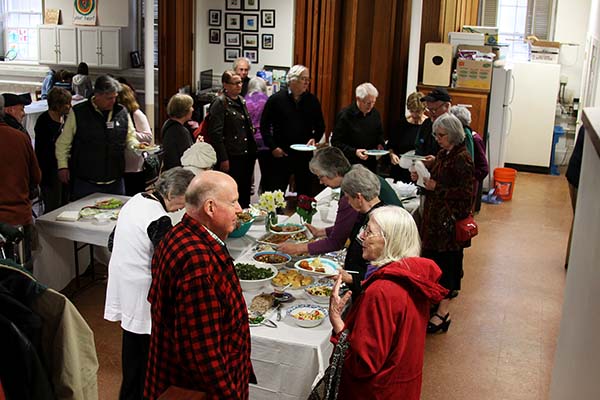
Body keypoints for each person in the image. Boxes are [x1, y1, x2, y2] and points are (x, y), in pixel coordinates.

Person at [144, 171, 256, 399]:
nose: (240, 210)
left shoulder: (177, 235)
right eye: (233, 201)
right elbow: (203, 354)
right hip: (197, 388)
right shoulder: (198, 262)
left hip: (174, 374)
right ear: (210, 208)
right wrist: (230, 394)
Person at [326, 206, 447, 399]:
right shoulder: (414, 276)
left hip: (376, 392)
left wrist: (338, 323)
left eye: (370, 232)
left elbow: (363, 364)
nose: (361, 236)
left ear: (389, 241)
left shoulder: (382, 291)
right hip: (400, 386)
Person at [104, 167, 195, 400]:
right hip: (141, 291)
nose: (184, 207)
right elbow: (166, 264)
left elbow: (111, 242)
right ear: (173, 193)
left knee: (131, 350)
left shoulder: (134, 201)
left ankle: (129, 394)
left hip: (123, 282)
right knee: (145, 357)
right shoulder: (159, 218)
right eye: (184, 201)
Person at [410, 113, 474, 333]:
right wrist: (421, 175)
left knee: (447, 268)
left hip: (448, 227)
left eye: (441, 135)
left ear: (454, 135)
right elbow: (436, 178)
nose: (437, 138)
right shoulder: (444, 153)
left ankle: (442, 313)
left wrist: (436, 187)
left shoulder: (462, 158)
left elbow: (467, 194)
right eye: (436, 134)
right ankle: (434, 302)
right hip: (435, 224)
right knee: (432, 264)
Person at [278, 146, 401, 258]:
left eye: (321, 176)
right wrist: (322, 232)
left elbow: (336, 242)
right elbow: (350, 225)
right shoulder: (356, 173)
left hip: (391, 248)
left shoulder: (352, 189)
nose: (320, 182)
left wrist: (297, 248)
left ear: (335, 173)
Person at [55, 75, 138, 200]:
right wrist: (63, 166)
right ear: (97, 95)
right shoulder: (78, 112)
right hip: (86, 182)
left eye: (114, 98)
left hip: (115, 181)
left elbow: (130, 137)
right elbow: (63, 143)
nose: (113, 101)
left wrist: (137, 147)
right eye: (109, 98)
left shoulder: (122, 112)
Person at [260, 64, 325, 197]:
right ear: (292, 80)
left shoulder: (312, 101)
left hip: (304, 154)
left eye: (308, 79)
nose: (307, 82)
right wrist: (273, 147)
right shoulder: (276, 100)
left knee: (305, 193)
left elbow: (320, 126)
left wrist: (315, 139)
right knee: (276, 193)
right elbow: (264, 126)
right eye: (303, 79)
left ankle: (304, 216)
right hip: (281, 153)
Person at [0, 95, 41, 270]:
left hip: (12, 216)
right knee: (22, 274)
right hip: (17, 215)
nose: (23, 114)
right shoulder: (18, 138)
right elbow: (36, 176)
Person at [207, 70, 257, 208]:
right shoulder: (220, 103)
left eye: (240, 82)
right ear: (225, 85)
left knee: (245, 190)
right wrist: (223, 158)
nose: (239, 85)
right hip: (231, 155)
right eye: (235, 83)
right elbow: (215, 134)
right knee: (231, 192)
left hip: (246, 153)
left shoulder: (241, 100)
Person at [331, 82, 385, 173]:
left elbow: (379, 134)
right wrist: (354, 151)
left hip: (370, 164)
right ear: (358, 99)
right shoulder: (345, 115)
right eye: (368, 103)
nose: (371, 106)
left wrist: (380, 145)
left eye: (373, 102)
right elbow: (336, 142)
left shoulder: (375, 114)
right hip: (350, 164)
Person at [34, 87, 72, 212]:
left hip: (65, 167)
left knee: (65, 203)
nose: (69, 106)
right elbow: (43, 151)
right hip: (50, 172)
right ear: (57, 105)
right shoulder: (43, 122)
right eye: (67, 104)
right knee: (53, 205)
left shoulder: (66, 118)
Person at [450, 105, 489, 211]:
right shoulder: (457, 138)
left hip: (468, 186)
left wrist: (470, 178)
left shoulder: (474, 139)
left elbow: (483, 168)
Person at [119, 84, 153, 196]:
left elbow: (148, 136)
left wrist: (129, 134)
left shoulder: (136, 114)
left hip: (134, 165)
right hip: (119, 165)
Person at [388, 91, 428, 183]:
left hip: (420, 171)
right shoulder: (400, 124)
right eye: (411, 111)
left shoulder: (428, 125)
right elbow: (391, 146)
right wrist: (392, 155)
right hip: (401, 170)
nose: (414, 115)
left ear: (424, 109)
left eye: (418, 111)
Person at [245, 76, 270, 193]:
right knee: (266, 171)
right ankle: (264, 192)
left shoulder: (245, 100)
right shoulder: (267, 100)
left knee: (248, 169)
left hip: (249, 139)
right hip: (264, 140)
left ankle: (249, 190)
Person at [565, 125, 585, 269]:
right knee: (580, 220)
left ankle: (571, 261)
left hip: (576, 176)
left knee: (579, 219)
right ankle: (572, 263)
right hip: (577, 178)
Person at [161, 93, 195, 171]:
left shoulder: (167, 124)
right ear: (184, 111)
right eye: (190, 107)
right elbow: (189, 158)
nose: (193, 109)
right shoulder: (181, 132)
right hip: (179, 174)